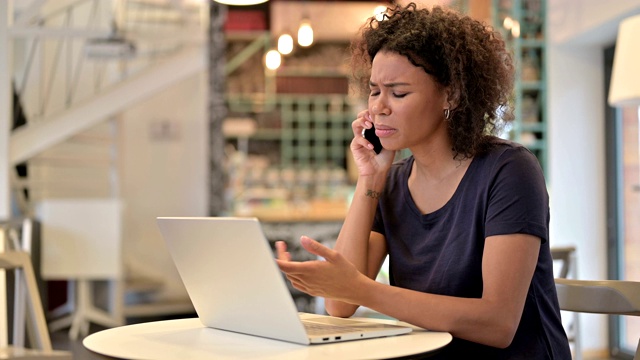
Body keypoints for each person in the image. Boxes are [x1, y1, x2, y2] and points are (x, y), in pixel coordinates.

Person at [276, 3, 571, 358]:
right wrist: (370, 177)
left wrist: (363, 290)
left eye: (398, 93)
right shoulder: (393, 182)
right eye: (374, 91)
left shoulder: (508, 170)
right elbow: (339, 304)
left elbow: (497, 323)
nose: (379, 107)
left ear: (452, 95)